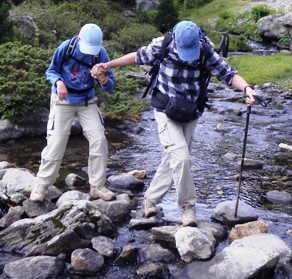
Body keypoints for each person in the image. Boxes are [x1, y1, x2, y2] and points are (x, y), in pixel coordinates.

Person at [91, 20, 257, 226]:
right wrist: (108, 65)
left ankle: (150, 198)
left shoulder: (205, 51)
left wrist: (247, 89)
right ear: (176, 42)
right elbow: (137, 56)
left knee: (174, 158)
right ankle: (188, 207)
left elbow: (228, 74)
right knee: (182, 158)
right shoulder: (163, 45)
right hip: (165, 109)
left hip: (191, 111)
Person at [30, 23, 117, 203]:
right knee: (56, 143)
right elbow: (51, 71)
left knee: (99, 139)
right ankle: (42, 185)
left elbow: (110, 87)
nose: (89, 52)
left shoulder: (101, 54)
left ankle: (97, 186)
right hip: (63, 100)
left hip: (87, 101)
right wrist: (58, 83)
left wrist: (103, 78)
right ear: (79, 39)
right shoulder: (67, 47)